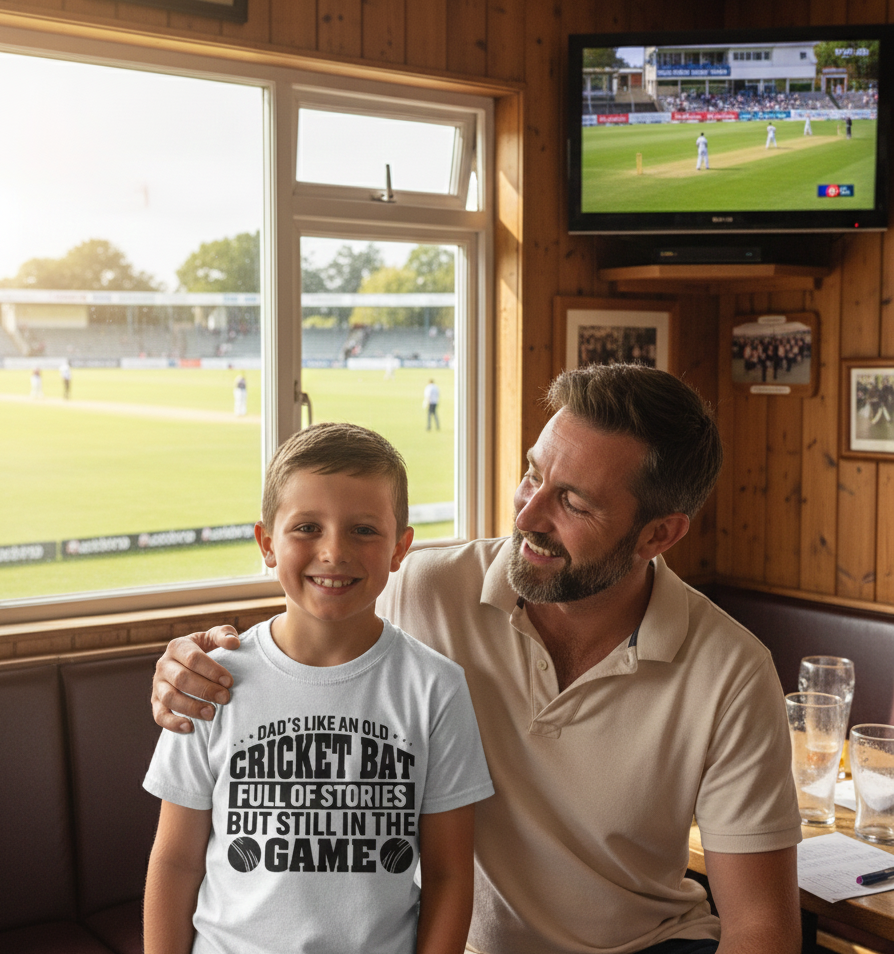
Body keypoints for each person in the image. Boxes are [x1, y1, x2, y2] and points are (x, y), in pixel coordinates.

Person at [151, 365, 802, 954]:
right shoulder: (424, 587)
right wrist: (195, 657)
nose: (528, 511)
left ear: (658, 534)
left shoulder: (733, 671)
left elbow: (761, 927)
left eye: (572, 501)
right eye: (532, 473)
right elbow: (308, 620)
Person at [143, 423, 493, 954]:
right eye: (307, 527)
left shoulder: (436, 689)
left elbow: (448, 875)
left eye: (364, 531)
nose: (333, 552)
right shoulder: (209, 681)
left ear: (400, 548)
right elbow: (175, 862)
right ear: (266, 543)